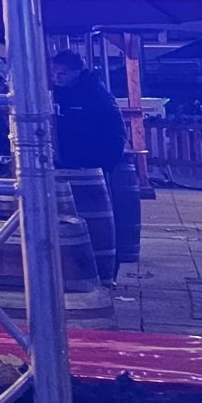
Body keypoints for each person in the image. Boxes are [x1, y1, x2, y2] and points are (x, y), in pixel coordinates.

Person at [52, 49, 140, 272]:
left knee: (96, 222)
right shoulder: (62, 94)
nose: (57, 78)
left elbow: (115, 133)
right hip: (71, 165)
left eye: (62, 73)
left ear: (76, 72)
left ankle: (107, 269)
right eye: (55, 73)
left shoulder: (95, 95)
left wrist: (101, 163)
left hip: (91, 168)